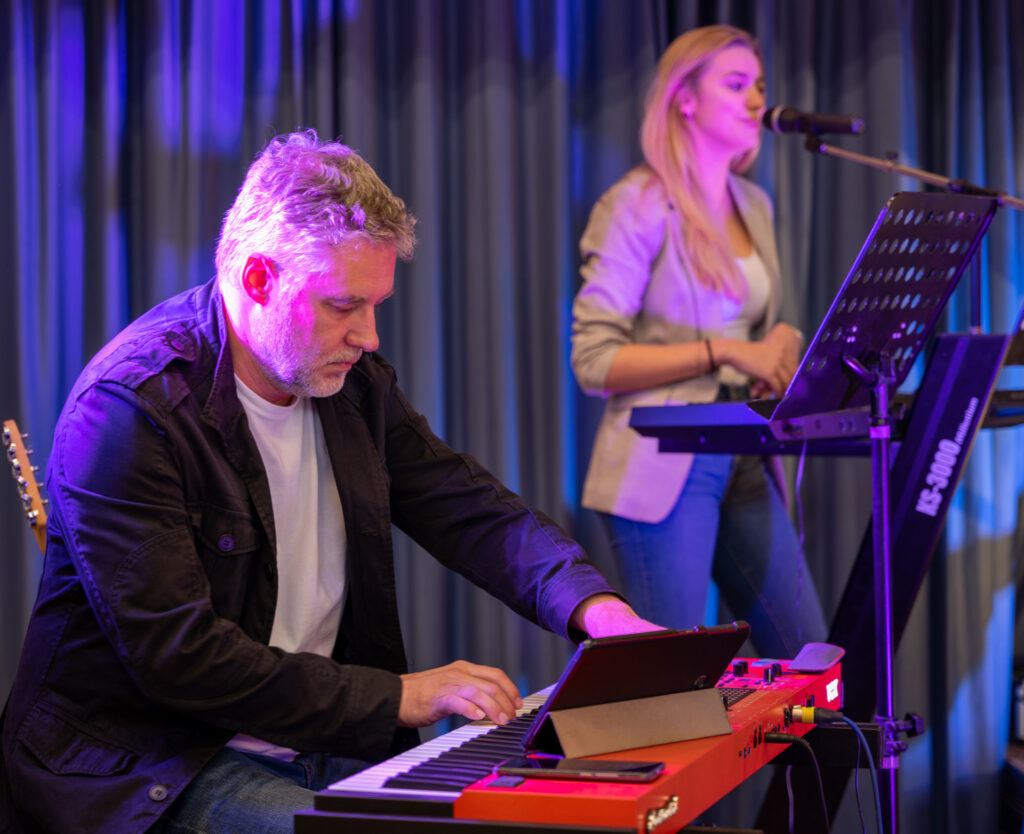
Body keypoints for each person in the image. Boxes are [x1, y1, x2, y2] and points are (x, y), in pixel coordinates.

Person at [0, 129, 657, 834]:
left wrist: (598, 612)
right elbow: (181, 657)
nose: (368, 337)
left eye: (376, 305)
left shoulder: (352, 384)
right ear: (259, 280)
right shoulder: (128, 409)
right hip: (156, 764)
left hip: (314, 740)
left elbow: (468, 508)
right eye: (343, 306)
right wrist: (401, 698)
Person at [571, 25, 826, 659]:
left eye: (759, 85)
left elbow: (758, 322)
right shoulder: (635, 204)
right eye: (736, 85)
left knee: (809, 659)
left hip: (744, 448)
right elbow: (593, 361)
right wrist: (728, 351)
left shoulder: (754, 203)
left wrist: (781, 337)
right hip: (661, 459)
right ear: (684, 99)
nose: (756, 101)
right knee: (675, 675)